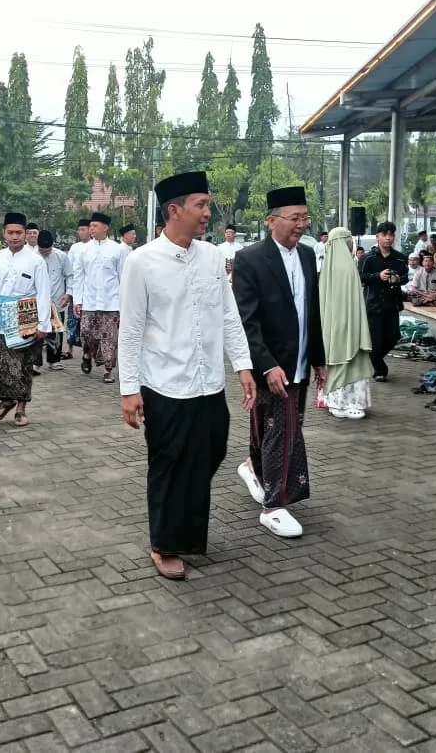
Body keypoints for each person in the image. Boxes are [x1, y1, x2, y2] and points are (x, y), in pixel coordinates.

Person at [118, 171, 256, 580]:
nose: (208, 214)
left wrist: (243, 365)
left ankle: (187, 532)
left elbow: (228, 315)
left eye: (208, 205)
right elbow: (132, 329)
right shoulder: (142, 261)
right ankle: (165, 542)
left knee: (210, 453)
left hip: (208, 382)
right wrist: (129, 390)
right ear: (174, 210)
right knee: (169, 462)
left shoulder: (212, 256)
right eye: (201, 205)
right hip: (164, 384)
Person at [232, 186, 325, 539]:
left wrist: (318, 357)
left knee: (278, 426)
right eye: (294, 218)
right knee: (282, 433)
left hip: (299, 359)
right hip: (271, 364)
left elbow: (311, 311)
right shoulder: (251, 258)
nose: (301, 224)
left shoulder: (306, 255)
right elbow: (247, 319)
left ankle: (253, 467)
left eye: (305, 217)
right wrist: (266, 364)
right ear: (271, 221)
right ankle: (274, 506)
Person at [0, 212, 51, 427]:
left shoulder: (36, 261)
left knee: (23, 364)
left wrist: (43, 324)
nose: (15, 237)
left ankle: (21, 408)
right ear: (4, 233)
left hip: (26, 318)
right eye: (11, 232)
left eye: (19, 232)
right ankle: (6, 400)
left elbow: (43, 293)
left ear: (26, 234)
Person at [318, 227, 374, 420]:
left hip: (331, 328)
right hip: (350, 326)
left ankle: (335, 402)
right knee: (352, 362)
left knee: (335, 361)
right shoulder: (349, 267)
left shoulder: (327, 266)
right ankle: (352, 403)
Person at [73, 211, 127, 384]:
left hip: (111, 302)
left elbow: (123, 277)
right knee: (86, 333)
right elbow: (79, 276)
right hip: (89, 301)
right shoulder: (83, 250)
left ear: (105, 228)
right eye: (90, 226)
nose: (91, 229)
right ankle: (87, 354)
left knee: (109, 337)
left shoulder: (117, 249)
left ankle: (108, 370)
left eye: (94, 226)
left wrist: (123, 305)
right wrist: (77, 300)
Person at [360, 222, 408, 381]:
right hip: (373, 304)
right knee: (376, 340)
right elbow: (361, 277)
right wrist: (378, 276)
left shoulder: (400, 258)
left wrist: (398, 279)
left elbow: (406, 276)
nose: (388, 238)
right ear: (377, 237)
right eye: (385, 235)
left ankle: (374, 359)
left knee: (393, 336)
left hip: (392, 304)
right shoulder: (368, 258)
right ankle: (380, 369)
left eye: (391, 235)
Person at [35, 229, 72, 372]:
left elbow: (70, 276)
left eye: (48, 250)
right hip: (37, 302)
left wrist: (68, 294)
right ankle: (36, 363)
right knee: (36, 333)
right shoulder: (32, 257)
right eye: (42, 250)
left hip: (57, 300)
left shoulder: (61, 256)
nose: (45, 252)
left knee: (55, 331)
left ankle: (54, 360)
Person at [64, 218, 91, 360]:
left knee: (86, 323)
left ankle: (88, 351)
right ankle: (69, 349)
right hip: (75, 289)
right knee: (72, 320)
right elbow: (69, 270)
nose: (80, 232)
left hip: (89, 292)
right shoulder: (74, 247)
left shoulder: (94, 247)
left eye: (83, 229)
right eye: (79, 229)